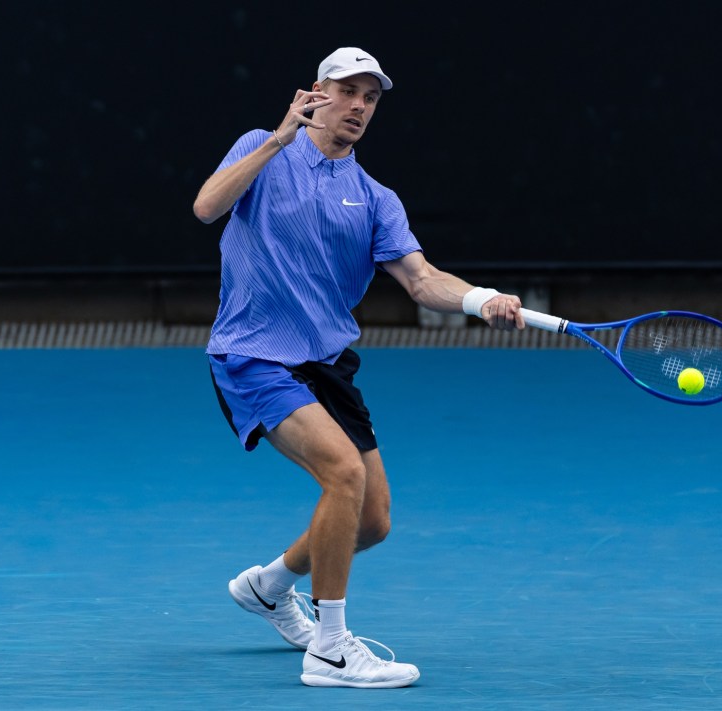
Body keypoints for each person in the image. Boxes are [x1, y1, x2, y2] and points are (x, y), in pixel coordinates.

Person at [192, 47, 524, 689]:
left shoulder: (375, 198)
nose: (360, 107)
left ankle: (268, 586)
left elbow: (422, 279)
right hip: (254, 352)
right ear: (316, 93)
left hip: (327, 365)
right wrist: (277, 141)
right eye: (349, 92)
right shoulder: (262, 146)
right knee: (343, 475)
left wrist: (482, 299)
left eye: (371, 98)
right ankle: (331, 649)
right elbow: (207, 206)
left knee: (371, 521)